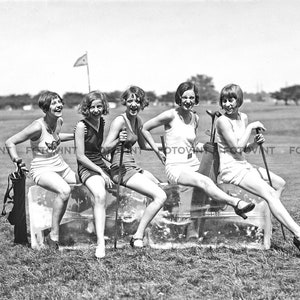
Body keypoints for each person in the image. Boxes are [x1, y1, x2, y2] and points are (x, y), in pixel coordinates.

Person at [142, 81, 255, 224]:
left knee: (216, 178)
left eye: (191, 98)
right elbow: (145, 128)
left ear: (195, 99)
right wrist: (158, 152)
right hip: (176, 167)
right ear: (179, 98)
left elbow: (192, 144)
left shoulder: (195, 118)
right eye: (184, 97)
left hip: (193, 163)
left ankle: (200, 225)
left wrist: (205, 146)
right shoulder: (170, 115)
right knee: (204, 181)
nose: (188, 101)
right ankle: (236, 203)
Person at [215, 83, 300, 251]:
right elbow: (236, 149)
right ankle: (298, 234)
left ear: (239, 100)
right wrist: (250, 128)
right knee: (269, 193)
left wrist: (255, 143)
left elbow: (244, 149)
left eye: (231, 100)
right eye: (224, 100)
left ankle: (267, 220)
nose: (227, 104)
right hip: (231, 170)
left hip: (242, 164)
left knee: (279, 184)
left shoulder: (243, 117)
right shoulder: (222, 121)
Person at [5, 91, 78, 249]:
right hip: (42, 170)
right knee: (65, 191)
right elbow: (10, 142)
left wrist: (75, 135)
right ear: (45, 108)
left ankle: (84, 225)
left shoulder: (59, 120)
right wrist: (17, 160)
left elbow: (56, 137)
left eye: (59, 101)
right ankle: (54, 235)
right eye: (53, 103)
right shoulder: (37, 127)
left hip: (62, 167)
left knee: (87, 181)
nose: (58, 105)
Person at [102, 86, 167, 248]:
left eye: (137, 101)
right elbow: (104, 149)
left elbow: (144, 145)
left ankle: (146, 228)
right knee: (160, 196)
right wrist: (118, 140)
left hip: (132, 166)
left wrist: (165, 149)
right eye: (130, 100)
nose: (134, 104)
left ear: (142, 104)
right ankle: (137, 236)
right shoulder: (119, 121)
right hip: (120, 169)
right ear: (125, 102)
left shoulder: (137, 120)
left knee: (160, 186)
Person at [74, 90, 114, 258]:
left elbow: (99, 149)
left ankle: (97, 223)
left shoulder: (102, 122)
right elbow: (80, 156)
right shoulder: (81, 126)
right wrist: (101, 172)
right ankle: (100, 243)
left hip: (100, 163)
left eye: (99, 106)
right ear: (86, 108)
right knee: (99, 194)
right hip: (87, 167)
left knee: (123, 188)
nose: (96, 110)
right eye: (92, 107)